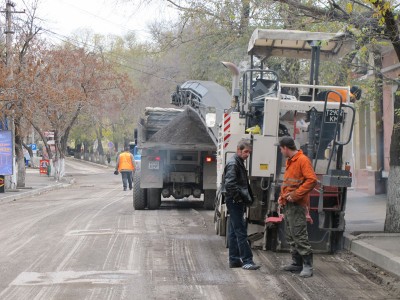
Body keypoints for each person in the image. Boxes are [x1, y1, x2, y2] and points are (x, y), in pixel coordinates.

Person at [277, 136, 317, 278]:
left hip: (297, 204)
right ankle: (297, 263)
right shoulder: (291, 161)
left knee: (299, 234)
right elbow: (289, 183)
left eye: (281, 149)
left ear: (285, 148)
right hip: (289, 204)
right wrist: (282, 197)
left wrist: (295, 195)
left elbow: (312, 180)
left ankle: (307, 265)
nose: (281, 151)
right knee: (291, 234)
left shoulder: (302, 160)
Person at [222, 138, 260, 270]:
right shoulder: (234, 163)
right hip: (234, 201)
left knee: (233, 231)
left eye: (249, 153)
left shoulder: (237, 161)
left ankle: (234, 260)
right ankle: (247, 260)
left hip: (233, 201)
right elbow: (230, 184)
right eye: (245, 152)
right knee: (241, 231)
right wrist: (238, 199)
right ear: (238, 150)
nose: (247, 155)